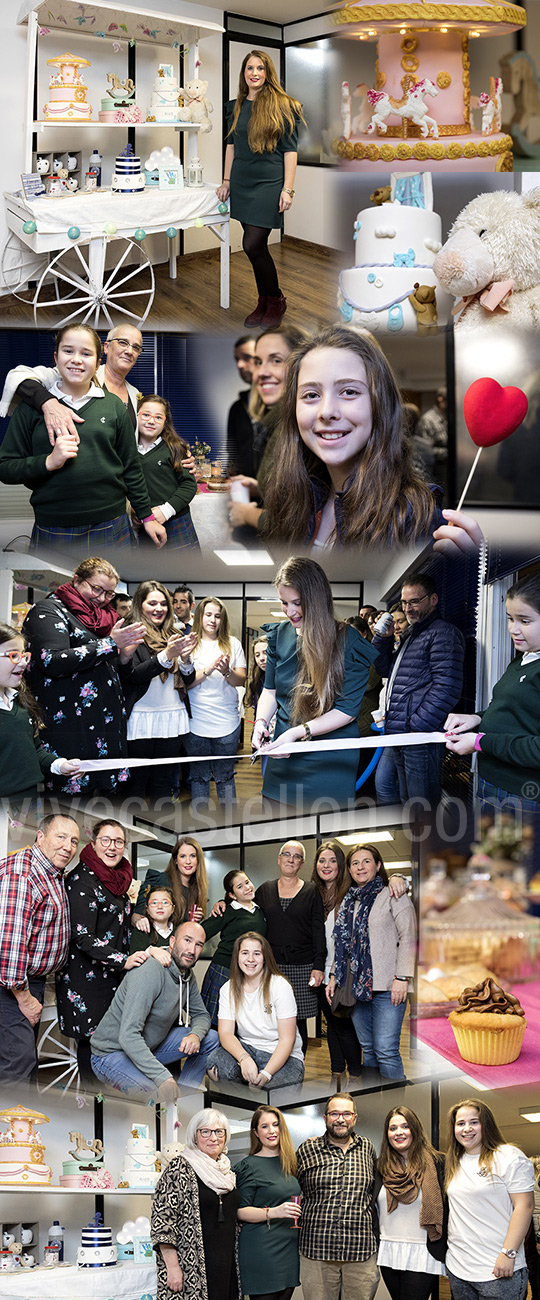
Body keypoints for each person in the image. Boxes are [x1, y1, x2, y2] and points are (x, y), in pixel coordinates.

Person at [261, 326, 481, 554]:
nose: (326, 412)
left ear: (380, 404)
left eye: (348, 392)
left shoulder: (416, 519)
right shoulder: (291, 503)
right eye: (311, 395)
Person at [0, 324, 166, 552]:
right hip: (53, 525)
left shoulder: (115, 405)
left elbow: (131, 466)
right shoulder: (31, 409)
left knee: (113, 588)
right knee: (59, 589)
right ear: (56, 358)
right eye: (68, 351)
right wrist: (48, 462)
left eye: (86, 354)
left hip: (111, 523)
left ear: (98, 362)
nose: (77, 360)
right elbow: (5, 467)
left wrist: (147, 517)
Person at [252, 556, 378, 809]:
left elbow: (347, 711)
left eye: (298, 603)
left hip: (331, 759)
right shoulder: (279, 635)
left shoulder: (349, 642)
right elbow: (270, 690)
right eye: (284, 602)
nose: (289, 612)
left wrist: (298, 733)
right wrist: (261, 723)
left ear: (317, 599)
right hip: (284, 755)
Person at [22, 556, 146, 794]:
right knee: (70, 809)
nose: (102, 598)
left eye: (109, 594)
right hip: (70, 728)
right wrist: (110, 643)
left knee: (103, 809)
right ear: (77, 580)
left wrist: (123, 657)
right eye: (96, 589)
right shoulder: (48, 610)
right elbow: (52, 661)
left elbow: (101, 666)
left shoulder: (101, 618)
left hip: (103, 729)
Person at [55, 819, 148, 1085]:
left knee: (111, 1044)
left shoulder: (117, 880)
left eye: (119, 842)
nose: (112, 847)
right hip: (85, 980)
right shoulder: (81, 882)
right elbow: (83, 937)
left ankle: (106, 1106)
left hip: (113, 977)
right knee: (92, 1045)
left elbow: (118, 923)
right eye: (105, 840)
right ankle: (91, 1107)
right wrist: (124, 960)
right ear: (93, 844)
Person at [216, 51, 304, 329]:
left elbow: (290, 151)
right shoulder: (235, 106)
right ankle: (264, 301)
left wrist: (288, 189)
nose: (254, 73)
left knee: (252, 244)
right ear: (243, 73)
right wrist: (226, 181)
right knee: (256, 247)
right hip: (241, 182)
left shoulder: (283, 105)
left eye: (260, 68)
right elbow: (230, 146)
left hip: (269, 183)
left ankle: (276, 299)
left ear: (268, 73)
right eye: (249, 68)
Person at [90, 921, 218, 1099]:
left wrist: (195, 1035)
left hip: (150, 1047)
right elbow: (128, 1036)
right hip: (111, 1054)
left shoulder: (186, 975)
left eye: (198, 945)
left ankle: (182, 1102)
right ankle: (169, 1106)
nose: (192, 950)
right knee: (157, 1092)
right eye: (187, 940)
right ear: (172, 942)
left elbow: (202, 1015)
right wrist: (163, 1077)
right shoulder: (150, 970)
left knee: (210, 1039)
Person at [446, 572, 540, 809]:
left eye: (524, 621)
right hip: (490, 782)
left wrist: (480, 743)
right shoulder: (523, 659)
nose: (513, 629)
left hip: (522, 794)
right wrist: (476, 718)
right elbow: (509, 711)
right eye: (510, 618)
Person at [373, 572, 465, 808]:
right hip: (401, 734)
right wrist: (382, 639)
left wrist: (416, 726)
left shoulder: (443, 633)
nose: (408, 608)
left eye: (414, 601)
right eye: (405, 602)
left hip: (418, 737)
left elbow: (447, 688)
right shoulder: (411, 634)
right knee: (408, 802)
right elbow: (385, 670)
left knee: (421, 807)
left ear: (433, 599)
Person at [0, 813, 79, 1083]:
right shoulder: (22, 873)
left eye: (74, 841)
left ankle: (23, 1125)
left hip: (30, 981)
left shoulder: (51, 872)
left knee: (21, 1063)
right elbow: (10, 942)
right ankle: (14, 1126)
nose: (68, 846)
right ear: (41, 836)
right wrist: (24, 997)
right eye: (61, 837)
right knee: (18, 1063)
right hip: (11, 985)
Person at [328, 844, 416, 1081]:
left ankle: (396, 1109)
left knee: (386, 1050)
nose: (360, 867)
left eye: (366, 861)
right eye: (355, 863)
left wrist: (402, 978)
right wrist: (335, 976)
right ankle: (374, 1104)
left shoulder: (393, 894)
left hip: (388, 987)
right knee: (368, 1049)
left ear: (378, 866)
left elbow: (409, 936)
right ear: (349, 869)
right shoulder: (347, 902)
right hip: (356, 988)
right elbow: (342, 945)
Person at [445, 1099, 534, 1300]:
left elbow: (525, 1206)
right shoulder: (454, 1161)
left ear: (486, 1124)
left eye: (474, 1122)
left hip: (498, 1270)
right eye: (460, 1123)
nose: (466, 1129)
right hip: (459, 1269)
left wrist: (508, 1254)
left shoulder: (508, 1156)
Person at [296, 1092, 380, 1300]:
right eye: (334, 1114)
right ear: (325, 1118)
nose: (340, 1119)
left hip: (361, 1252)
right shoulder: (308, 1149)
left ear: (355, 1118)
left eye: (346, 1114)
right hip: (316, 1252)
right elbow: (287, 1188)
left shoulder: (368, 1148)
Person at [151, 1108, 240, 1300]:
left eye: (219, 1131)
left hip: (227, 1263)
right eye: (205, 1131)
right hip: (192, 1267)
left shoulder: (227, 1172)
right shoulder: (179, 1167)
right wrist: (173, 1269)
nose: (213, 1138)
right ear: (195, 1135)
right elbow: (162, 1223)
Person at [0, 321, 144, 438]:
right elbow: (18, 376)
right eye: (123, 343)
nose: (129, 351)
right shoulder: (78, 374)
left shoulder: (134, 393)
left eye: (136, 347)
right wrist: (48, 403)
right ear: (106, 347)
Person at [123, 582, 196, 802]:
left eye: (164, 603)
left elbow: (189, 678)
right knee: (136, 784)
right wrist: (166, 655)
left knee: (163, 784)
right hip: (141, 717)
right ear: (139, 604)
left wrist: (184, 659)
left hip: (171, 715)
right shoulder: (131, 632)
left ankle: (161, 835)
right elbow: (133, 674)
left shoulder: (175, 631)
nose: (159, 608)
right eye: (152, 603)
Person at [228, 327, 304, 532]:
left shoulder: (306, 428)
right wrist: (260, 488)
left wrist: (246, 514)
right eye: (259, 362)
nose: (260, 372)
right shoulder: (278, 423)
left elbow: (299, 524)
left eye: (276, 360)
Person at [206, 933, 305, 1089]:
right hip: (248, 1049)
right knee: (215, 1064)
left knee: (274, 1091)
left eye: (257, 954)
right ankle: (243, 1103)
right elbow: (225, 1033)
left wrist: (266, 1075)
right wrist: (244, 1058)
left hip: (283, 1056)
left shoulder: (280, 986)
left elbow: (287, 1040)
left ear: (265, 957)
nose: (250, 959)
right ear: (237, 957)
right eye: (245, 953)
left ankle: (257, 1091)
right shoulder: (228, 989)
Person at [254, 841, 325, 1056]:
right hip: (271, 967)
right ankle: (272, 1065)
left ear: (301, 863)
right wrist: (223, 902)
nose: (290, 859)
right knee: (270, 1017)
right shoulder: (265, 889)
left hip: (303, 966)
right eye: (286, 854)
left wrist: (319, 965)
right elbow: (247, 912)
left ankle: (297, 1064)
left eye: (296, 856)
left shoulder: (312, 891)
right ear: (279, 859)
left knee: (298, 1020)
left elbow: (318, 930)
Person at [0, 620, 80, 801]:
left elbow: (33, 751)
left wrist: (61, 765)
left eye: (24, 656)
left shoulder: (20, 702)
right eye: (13, 656)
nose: (22, 663)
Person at [374, 1107, 446, 1300]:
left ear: (415, 1129)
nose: (399, 1132)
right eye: (393, 1128)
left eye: (405, 1126)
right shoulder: (380, 1166)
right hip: (389, 1250)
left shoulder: (439, 1163)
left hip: (423, 1251)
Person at [184, 596, 247, 806]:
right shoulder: (189, 645)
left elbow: (241, 679)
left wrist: (226, 671)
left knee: (225, 775)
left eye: (218, 616)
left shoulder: (233, 643)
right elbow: (185, 684)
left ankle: (229, 824)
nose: (213, 620)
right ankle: (200, 824)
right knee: (199, 776)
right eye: (208, 615)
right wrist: (209, 670)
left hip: (227, 723)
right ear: (200, 616)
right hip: (195, 722)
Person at [235, 1107, 302, 1300]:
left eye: (275, 1125)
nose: (271, 1131)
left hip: (288, 1249)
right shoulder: (248, 1166)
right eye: (264, 1126)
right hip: (261, 1250)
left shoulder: (290, 1162)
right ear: (256, 1132)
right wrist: (273, 1212)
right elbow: (239, 1211)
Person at [201, 870, 267, 1026]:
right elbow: (202, 932)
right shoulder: (226, 911)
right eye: (240, 886)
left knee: (242, 1021)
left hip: (249, 971)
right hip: (225, 970)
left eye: (247, 882)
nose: (247, 887)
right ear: (231, 894)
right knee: (216, 1020)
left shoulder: (259, 909)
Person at [135, 394, 199, 549]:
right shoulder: (127, 449)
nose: (151, 421)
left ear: (165, 422)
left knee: (184, 571)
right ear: (136, 416)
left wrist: (165, 511)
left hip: (176, 522)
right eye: (146, 415)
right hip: (145, 525)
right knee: (151, 571)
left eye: (158, 417)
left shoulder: (175, 448)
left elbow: (189, 486)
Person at [132, 837, 208, 933]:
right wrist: (140, 921)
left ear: (198, 860)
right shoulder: (159, 880)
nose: (188, 861)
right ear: (176, 860)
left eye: (193, 856)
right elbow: (136, 917)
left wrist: (196, 920)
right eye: (183, 856)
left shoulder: (197, 890)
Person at [227, 335, 258, 477]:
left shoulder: (288, 404)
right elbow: (232, 453)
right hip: (246, 493)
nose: (239, 365)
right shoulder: (237, 409)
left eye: (247, 357)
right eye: (237, 359)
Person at [129, 886, 180, 958]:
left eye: (165, 902)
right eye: (154, 903)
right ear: (147, 909)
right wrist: (150, 951)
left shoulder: (179, 932)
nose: (159, 906)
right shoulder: (141, 931)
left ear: (173, 908)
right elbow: (135, 959)